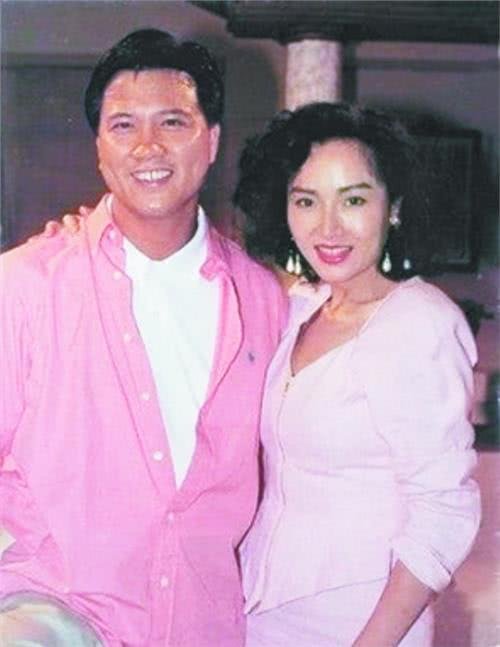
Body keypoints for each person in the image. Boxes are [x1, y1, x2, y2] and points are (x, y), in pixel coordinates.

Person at [0, 29, 287, 646]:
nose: (147, 146)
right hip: (60, 613)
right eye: (123, 125)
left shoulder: (263, 301)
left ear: (212, 141)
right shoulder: (25, 286)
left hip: (203, 625)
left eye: (173, 122)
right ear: (100, 150)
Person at [232, 103, 481, 646]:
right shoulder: (301, 309)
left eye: (354, 200)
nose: (328, 226)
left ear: (394, 208)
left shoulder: (417, 323)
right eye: (306, 200)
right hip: (265, 612)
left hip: (362, 620)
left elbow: (444, 512)